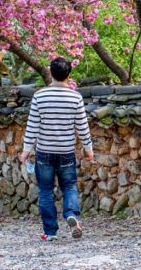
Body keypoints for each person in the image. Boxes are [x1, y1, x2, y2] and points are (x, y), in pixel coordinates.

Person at [20, 57, 94, 242]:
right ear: (69, 74)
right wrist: (88, 149)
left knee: (45, 191)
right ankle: (72, 216)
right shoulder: (75, 97)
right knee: (69, 186)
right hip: (66, 152)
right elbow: (82, 127)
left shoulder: (39, 96)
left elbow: (32, 126)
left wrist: (26, 150)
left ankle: (50, 232)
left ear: (50, 73)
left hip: (44, 152)